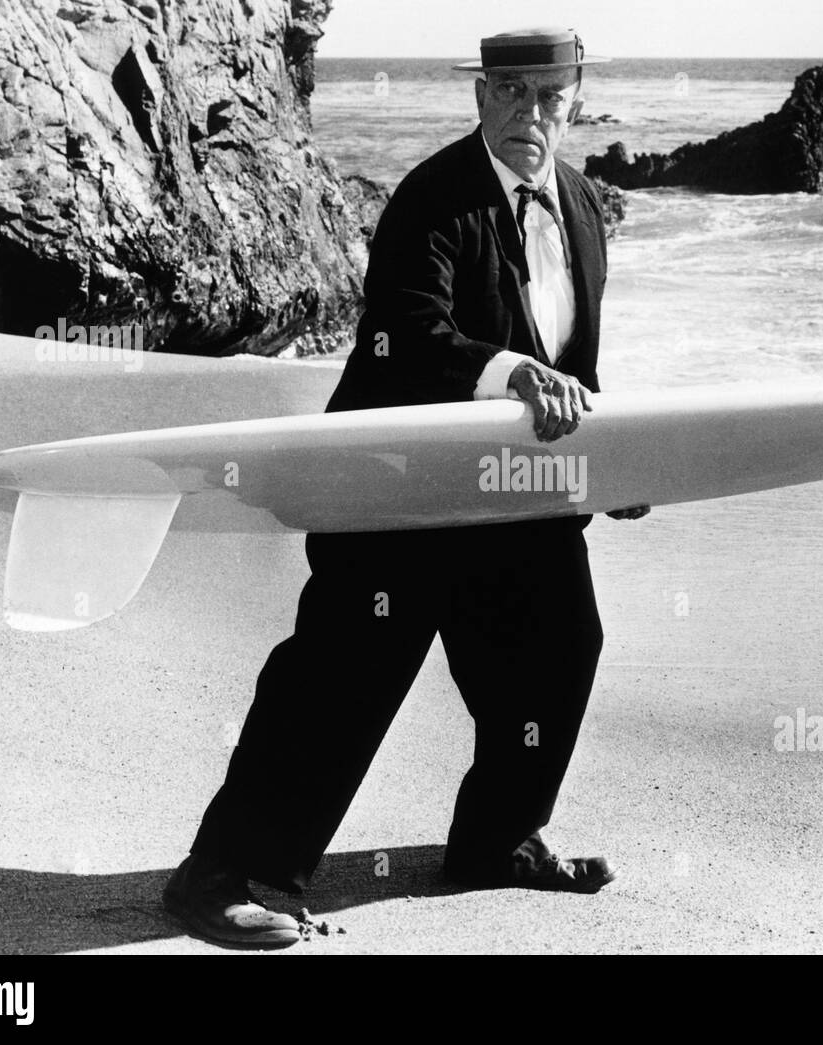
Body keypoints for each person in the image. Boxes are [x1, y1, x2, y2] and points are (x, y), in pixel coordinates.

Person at [163, 27, 647, 948]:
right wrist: (509, 372)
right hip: (393, 491)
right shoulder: (433, 199)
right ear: (478, 96)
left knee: (558, 649)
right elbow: (406, 336)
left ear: (575, 98)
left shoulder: (583, 206)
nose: (529, 114)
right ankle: (218, 873)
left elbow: (576, 372)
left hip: (513, 498)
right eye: (510, 91)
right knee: (342, 676)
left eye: (549, 96)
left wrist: (612, 469)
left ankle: (497, 839)